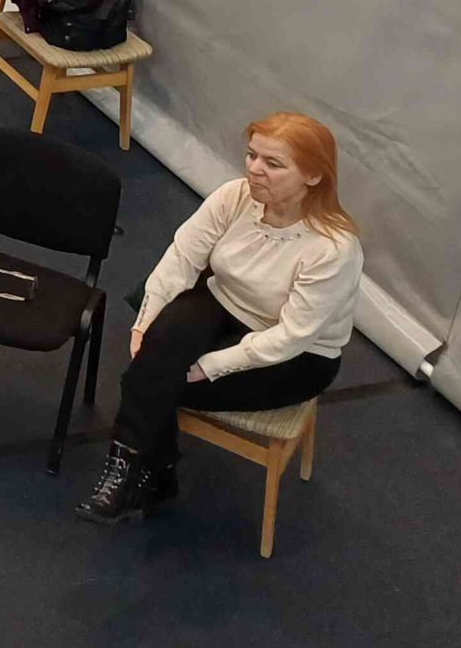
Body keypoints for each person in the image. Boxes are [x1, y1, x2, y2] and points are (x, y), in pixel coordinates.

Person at [78, 112, 365, 526]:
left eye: (273, 163)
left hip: (298, 356)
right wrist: (146, 320)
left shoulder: (333, 249)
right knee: (154, 361)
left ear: (313, 176)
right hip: (224, 301)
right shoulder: (235, 196)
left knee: (154, 380)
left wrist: (210, 366)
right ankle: (143, 472)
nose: (254, 169)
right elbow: (182, 258)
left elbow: (291, 336)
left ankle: (146, 474)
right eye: (252, 155)